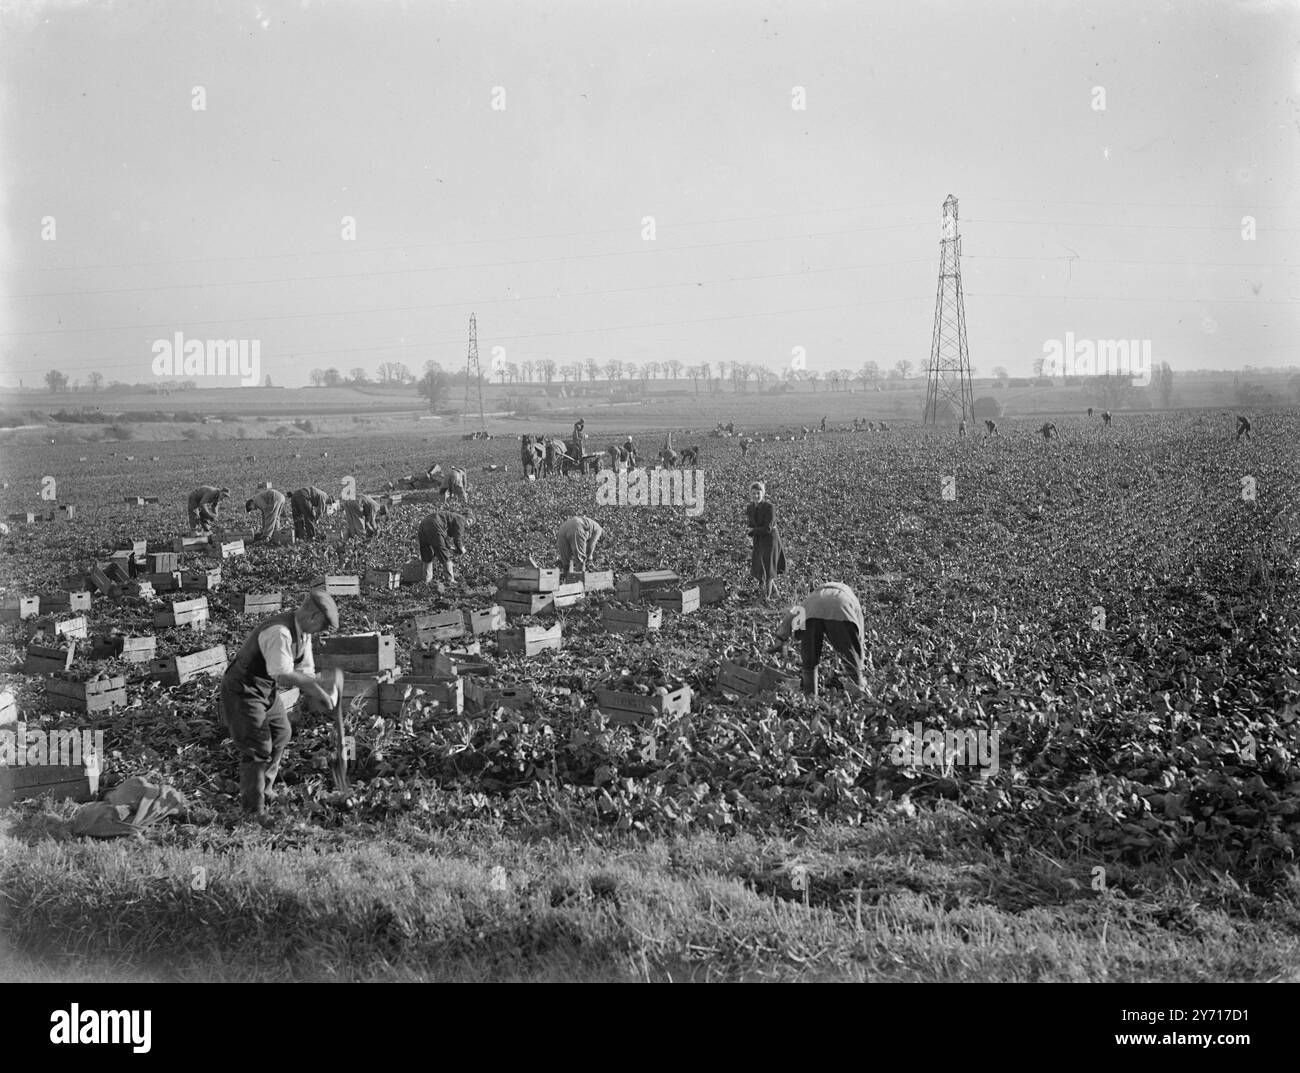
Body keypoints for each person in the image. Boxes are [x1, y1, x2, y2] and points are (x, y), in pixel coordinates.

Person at [220, 590, 342, 825]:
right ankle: (253, 810)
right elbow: (283, 675)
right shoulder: (280, 632)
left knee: (281, 732)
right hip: (243, 688)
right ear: (314, 616)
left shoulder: (303, 635)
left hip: (264, 689)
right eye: (323, 627)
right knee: (257, 745)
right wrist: (318, 687)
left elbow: (306, 671)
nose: (321, 633)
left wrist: (325, 694)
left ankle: (266, 787)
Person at [768, 581, 865, 695]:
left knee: (809, 661)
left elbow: (793, 613)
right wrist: (859, 660)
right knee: (852, 662)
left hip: (811, 613)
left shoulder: (814, 596)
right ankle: (858, 696)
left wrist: (781, 638)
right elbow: (858, 636)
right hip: (841, 609)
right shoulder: (850, 598)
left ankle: (810, 699)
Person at [746, 481, 786, 601]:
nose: (756, 496)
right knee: (759, 567)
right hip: (758, 539)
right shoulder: (750, 507)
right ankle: (775, 594)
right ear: (750, 494)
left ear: (763, 493)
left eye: (758, 493)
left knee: (768, 570)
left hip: (770, 540)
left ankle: (765, 598)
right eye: (753, 493)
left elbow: (768, 528)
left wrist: (753, 530)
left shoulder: (770, 507)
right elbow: (750, 524)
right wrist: (749, 531)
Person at [418, 509, 470, 583]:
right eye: (469, 521)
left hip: (423, 524)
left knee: (427, 553)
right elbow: (457, 538)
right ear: (466, 517)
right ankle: (450, 580)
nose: (468, 524)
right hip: (434, 525)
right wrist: (461, 548)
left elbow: (443, 536)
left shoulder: (450, 517)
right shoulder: (461, 519)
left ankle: (426, 580)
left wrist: (449, 546)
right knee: (444, 554)